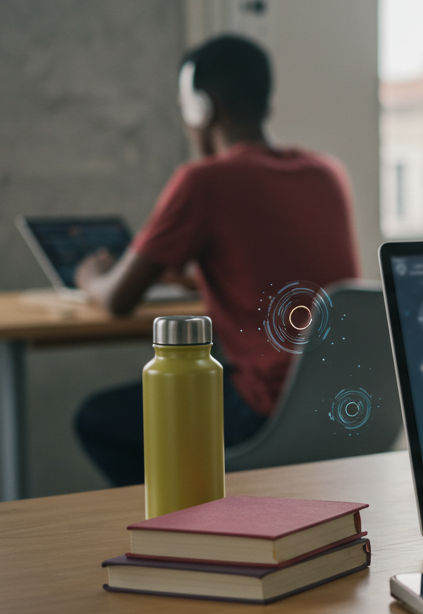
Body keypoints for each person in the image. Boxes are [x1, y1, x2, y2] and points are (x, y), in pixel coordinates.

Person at [74, 34, 359, 487]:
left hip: (265, 411)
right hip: (347, 405)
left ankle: (180, 526)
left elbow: (118, 300)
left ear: (200, 109)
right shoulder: (327, 173)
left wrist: (91, 278)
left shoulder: (203, 181)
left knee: (97, 420)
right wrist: (201, 278)